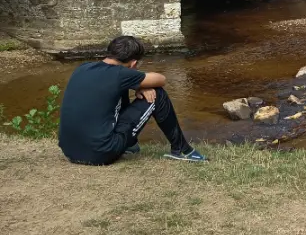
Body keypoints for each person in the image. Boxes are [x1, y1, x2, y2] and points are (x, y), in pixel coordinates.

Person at [58, 36, 205, 165]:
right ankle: (183, 150)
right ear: (133, 64)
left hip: (70, 152)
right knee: (158, 94)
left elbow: (109, 85)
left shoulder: (82, 68)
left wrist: (135, 85)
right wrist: (139, 83)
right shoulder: (120, 74)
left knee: (119, 92)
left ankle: (130, 146)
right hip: (100, 154)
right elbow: (161, 79)